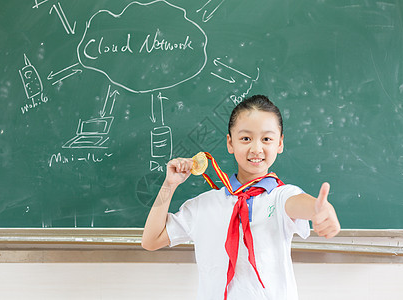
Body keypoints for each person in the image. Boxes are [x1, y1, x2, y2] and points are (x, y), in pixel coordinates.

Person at [141, 95, 340, 300]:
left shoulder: (280, 197)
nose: (256, 149)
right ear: (230, 143)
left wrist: (322, 210)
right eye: (246, 138)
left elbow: (302, 204)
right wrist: (169, 185)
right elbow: (151, 240)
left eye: (266, 139)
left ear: (279, 144)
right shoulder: (204, 205)